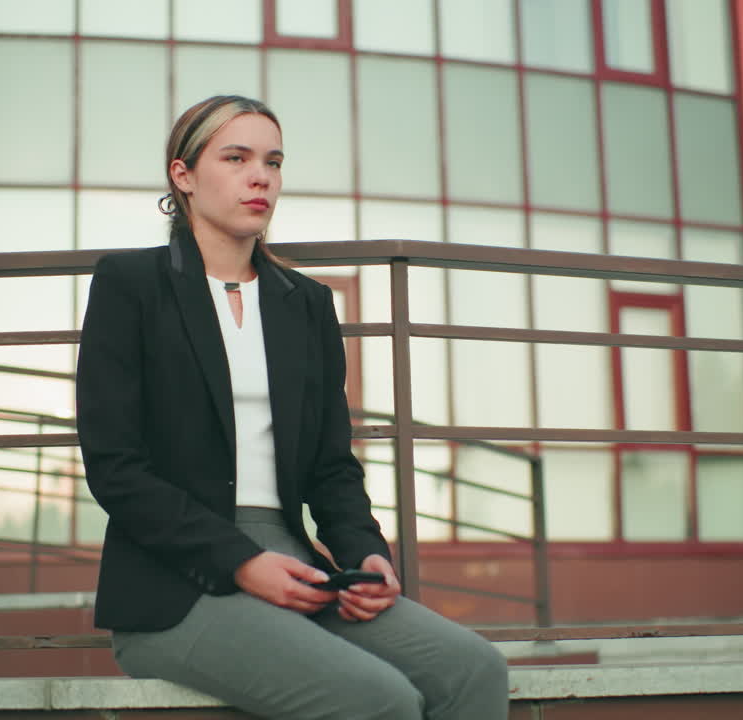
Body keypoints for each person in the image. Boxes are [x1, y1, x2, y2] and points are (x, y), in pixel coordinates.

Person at [75, 95, 509, 720]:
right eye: (237, 157)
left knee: (473, 669)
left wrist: (365, 553)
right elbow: (115, 466)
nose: (261, 177)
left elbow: (332, 463)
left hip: (296, 565)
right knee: (377, 699)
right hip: (173, 586)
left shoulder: (303, 303)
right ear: (184, 175)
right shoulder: (132, 286)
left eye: (273, 162)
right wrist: (242, 561)